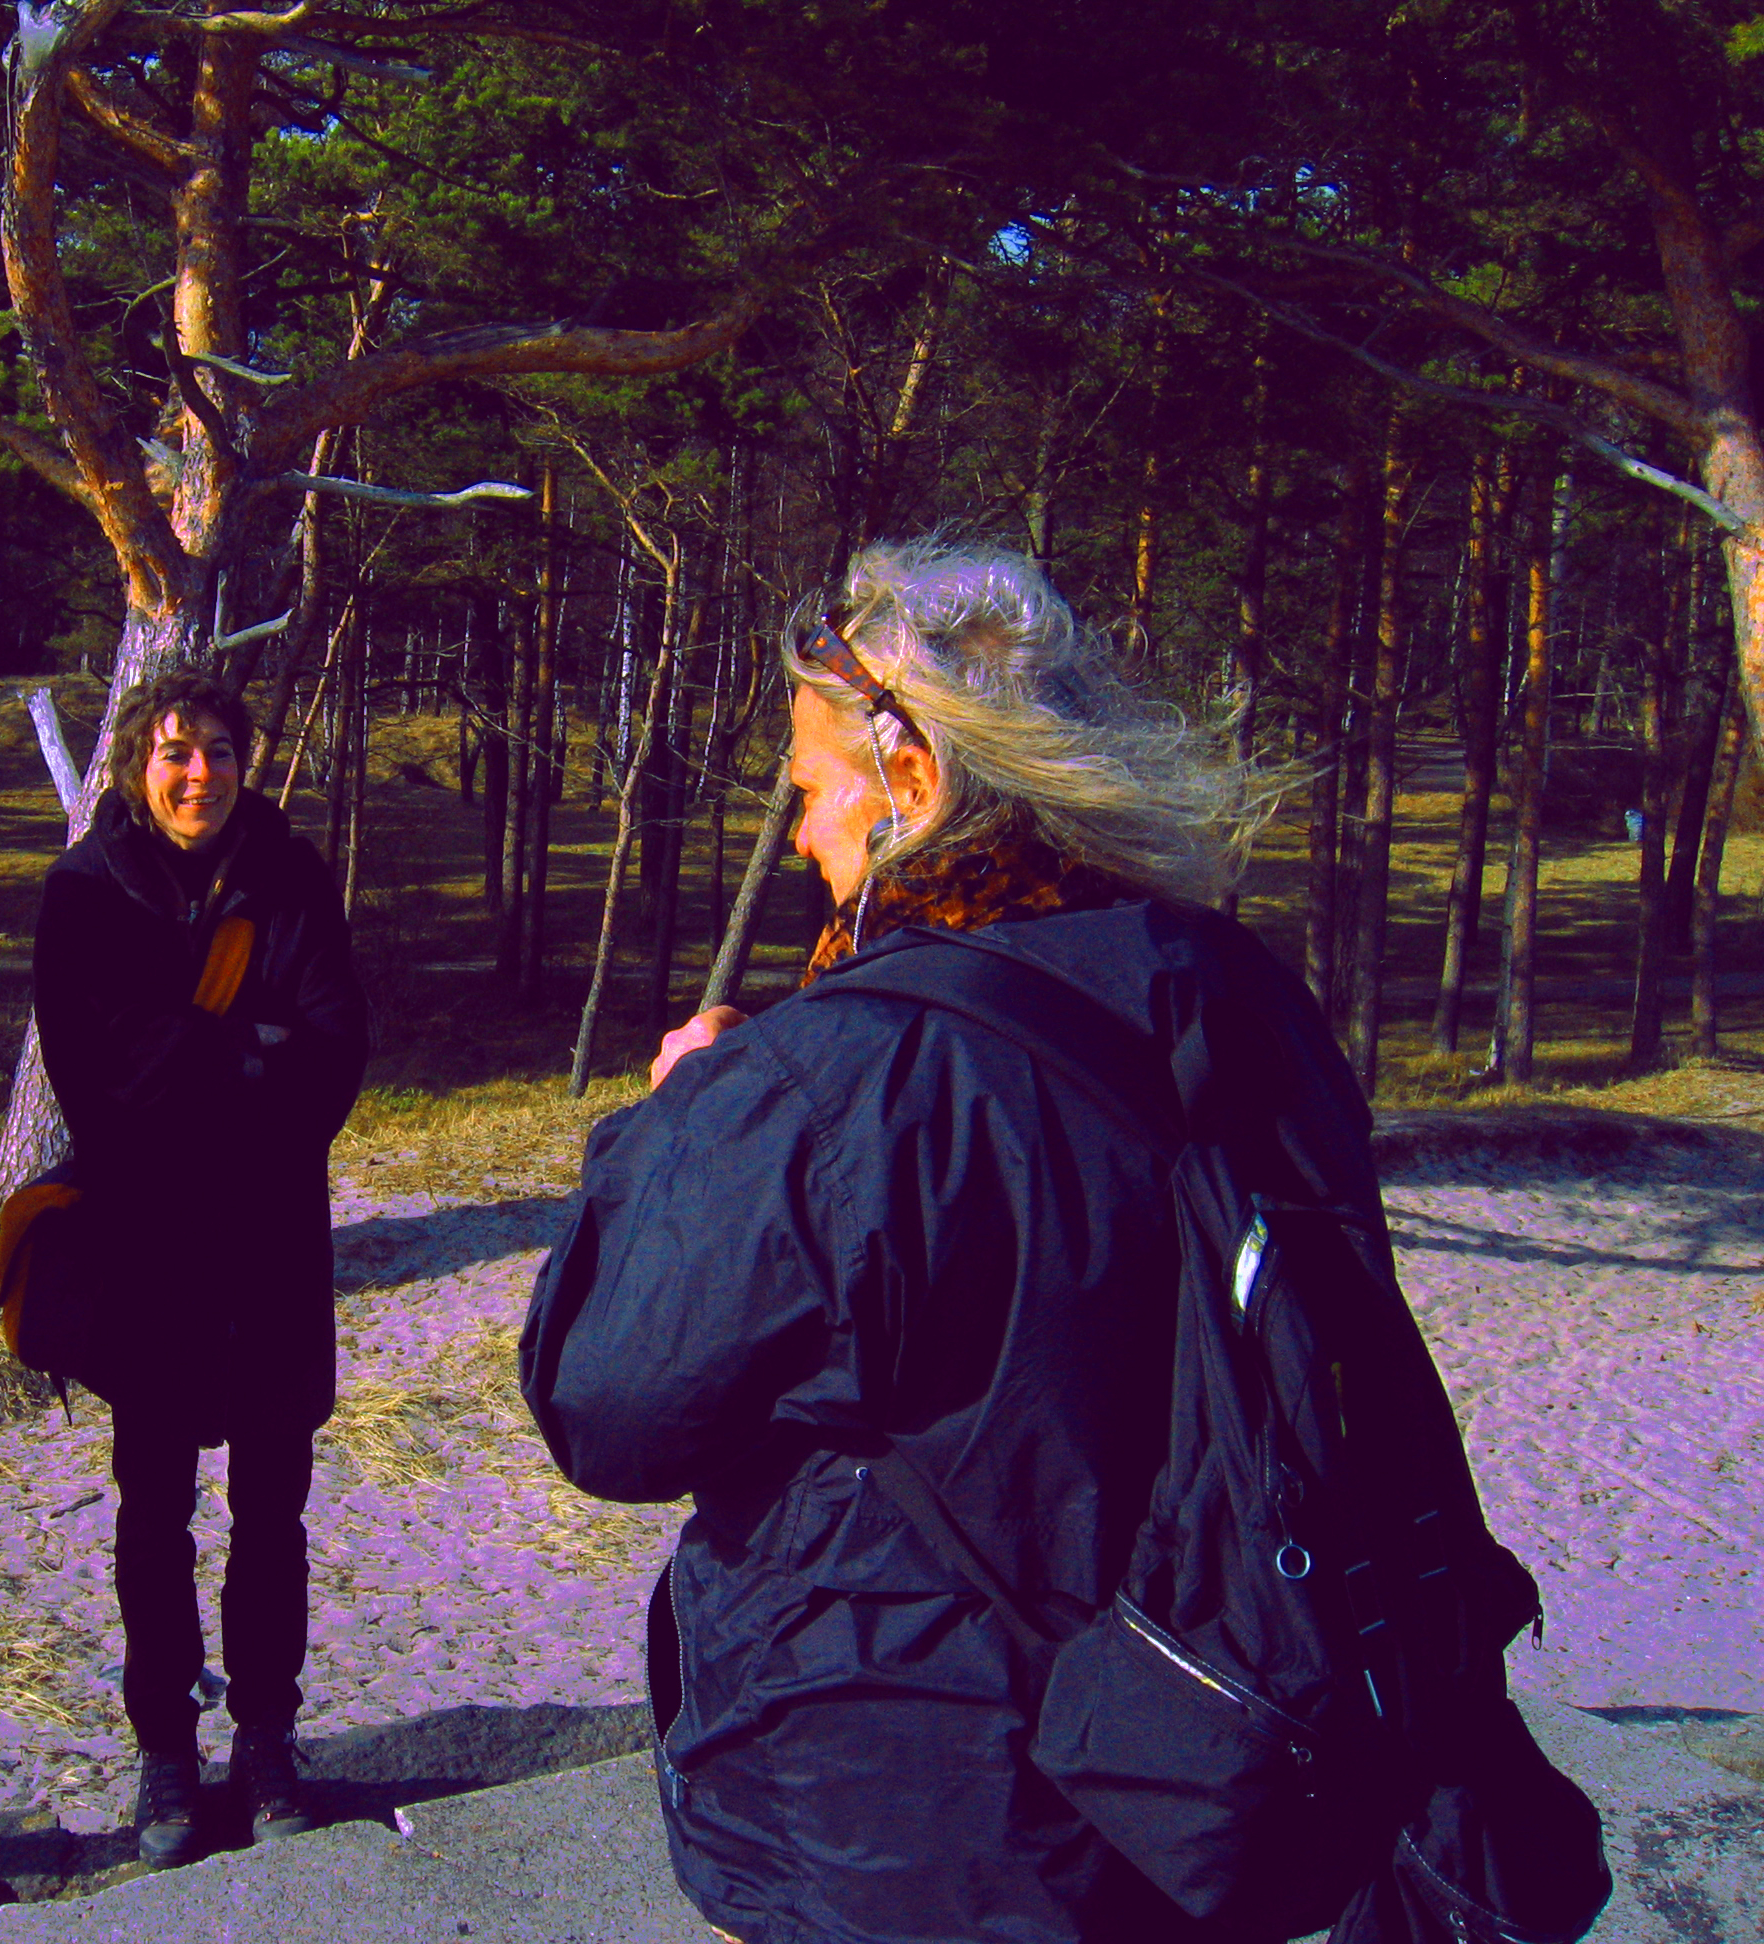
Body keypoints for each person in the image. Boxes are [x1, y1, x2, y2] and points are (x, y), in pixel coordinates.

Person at [519, 541, 1326, 1943]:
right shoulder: (1238, 993)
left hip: (897, 1809)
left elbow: (607, 1406)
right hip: (1204, 1762)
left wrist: (672, 1129)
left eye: (813, 776)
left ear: (914, 782)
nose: (797, 814)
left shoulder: (833, 1078)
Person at [29, 669, 369, 1868]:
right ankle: (165, 1754)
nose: (199, 775)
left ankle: (267, 1741)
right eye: (176, 753)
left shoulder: (292, 877)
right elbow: (101, 1083)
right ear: (134, 763)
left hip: (273, 1247)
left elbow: (333, 1055)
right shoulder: (82, 895)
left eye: (220, 750)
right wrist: (244, 1055)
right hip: (149, 1252)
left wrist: (202, 1055)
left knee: (272, 1510)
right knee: (153, 1515)